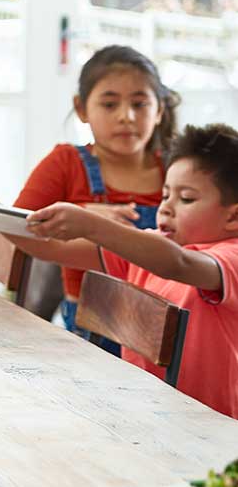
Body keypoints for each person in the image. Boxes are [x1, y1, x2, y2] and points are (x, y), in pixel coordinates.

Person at [0, 45, 176, 352]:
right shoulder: (66, 163)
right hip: (91, 334)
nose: (127, 116)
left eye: (140, 104)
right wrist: (80, 215)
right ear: (82, 108)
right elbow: (24, 227)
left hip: (171, 333)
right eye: (110, 104)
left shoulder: (179, 171)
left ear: (160, 110)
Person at [24, 124, 238, 419]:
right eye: (165, 195)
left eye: (186, 198)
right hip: (141, 413)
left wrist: (92, 225)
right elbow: (47, 247)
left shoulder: (229, 257)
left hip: (210, 429)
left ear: (234, 216)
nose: (166, 208)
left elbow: (178, 264)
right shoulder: (150, 247)